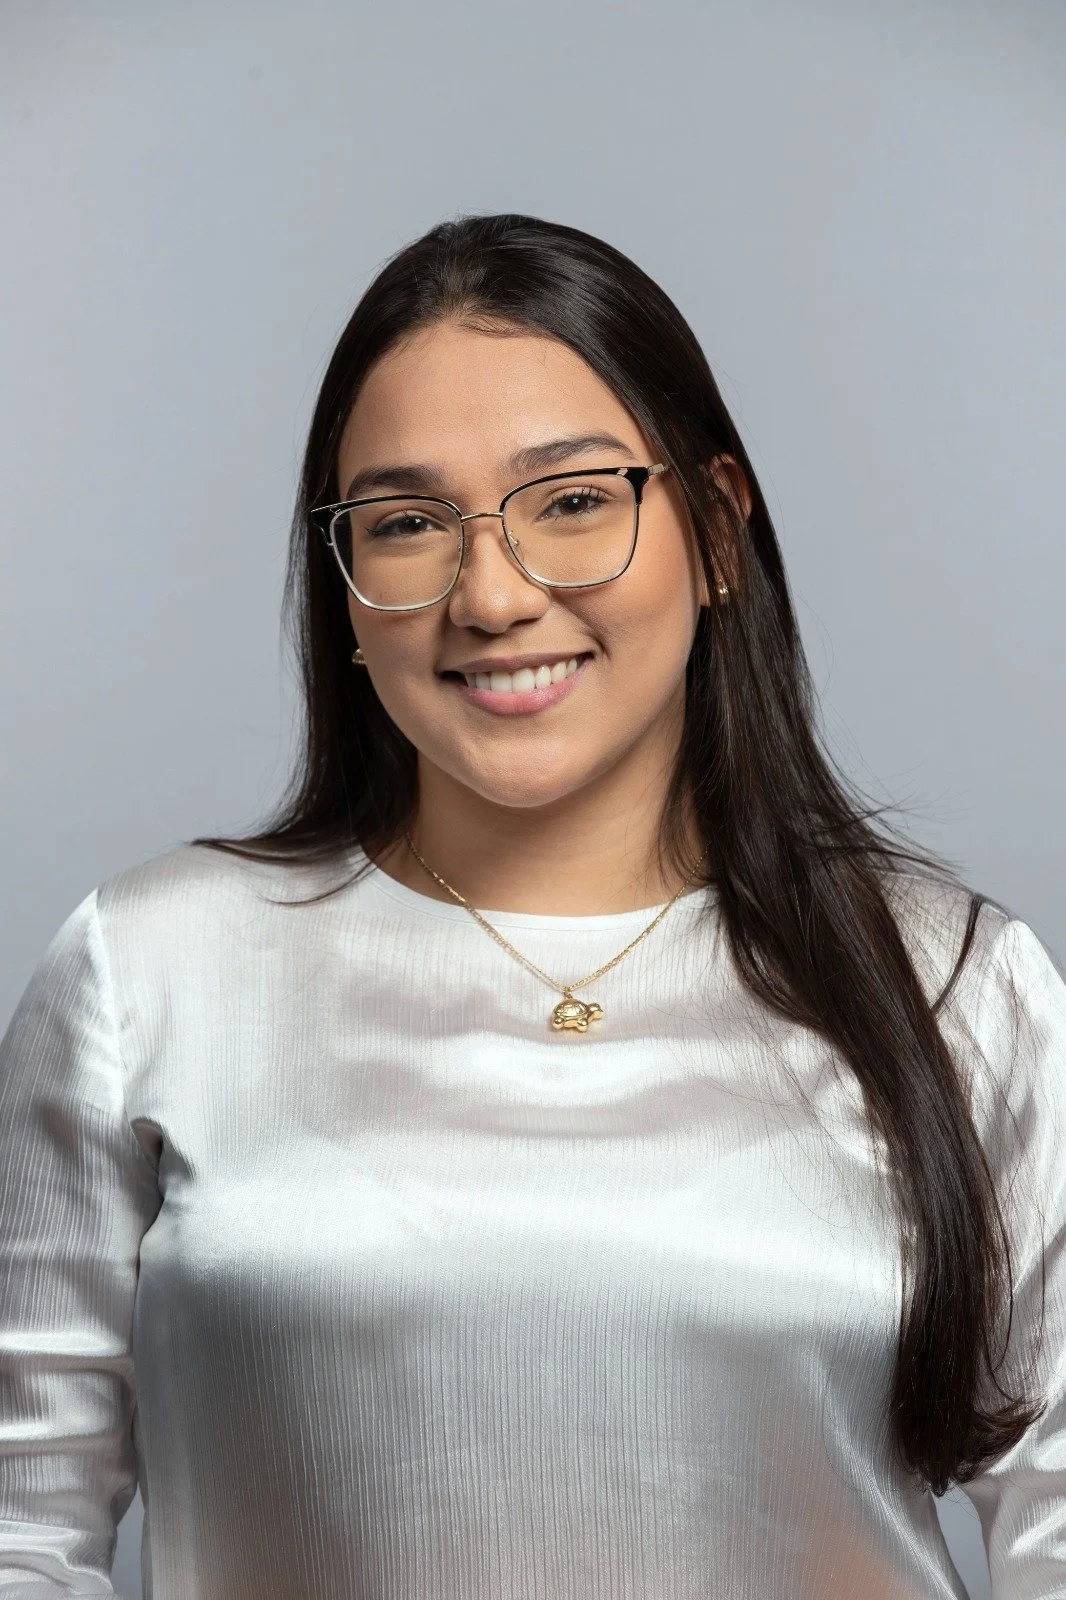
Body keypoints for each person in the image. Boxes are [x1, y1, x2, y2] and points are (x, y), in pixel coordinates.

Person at [1, 213, 1064, 1600]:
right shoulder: (148, 971)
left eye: (571, 501)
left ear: (719, 531)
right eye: (405, 524)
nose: (491, 593)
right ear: (343, 584)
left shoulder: (953, 984)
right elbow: (21, 1533)